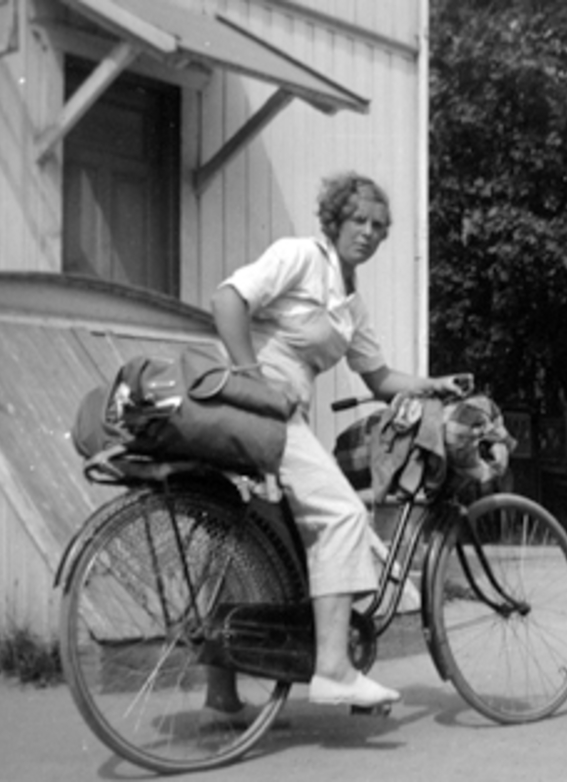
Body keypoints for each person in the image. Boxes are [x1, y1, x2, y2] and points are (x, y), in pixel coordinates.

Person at [209, 172, 468, 709]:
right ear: (334, 220)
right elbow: (228, 299)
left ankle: (221, 692)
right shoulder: (301, 255)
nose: (369, 233)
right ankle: (333, 668)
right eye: (358, 221)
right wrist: (250, 377)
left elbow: (378, 379)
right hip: (256, 408)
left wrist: (432, 383)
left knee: (258, 538)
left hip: (281, 415)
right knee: (344, 515)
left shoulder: (350, 300)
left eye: (378, 226)